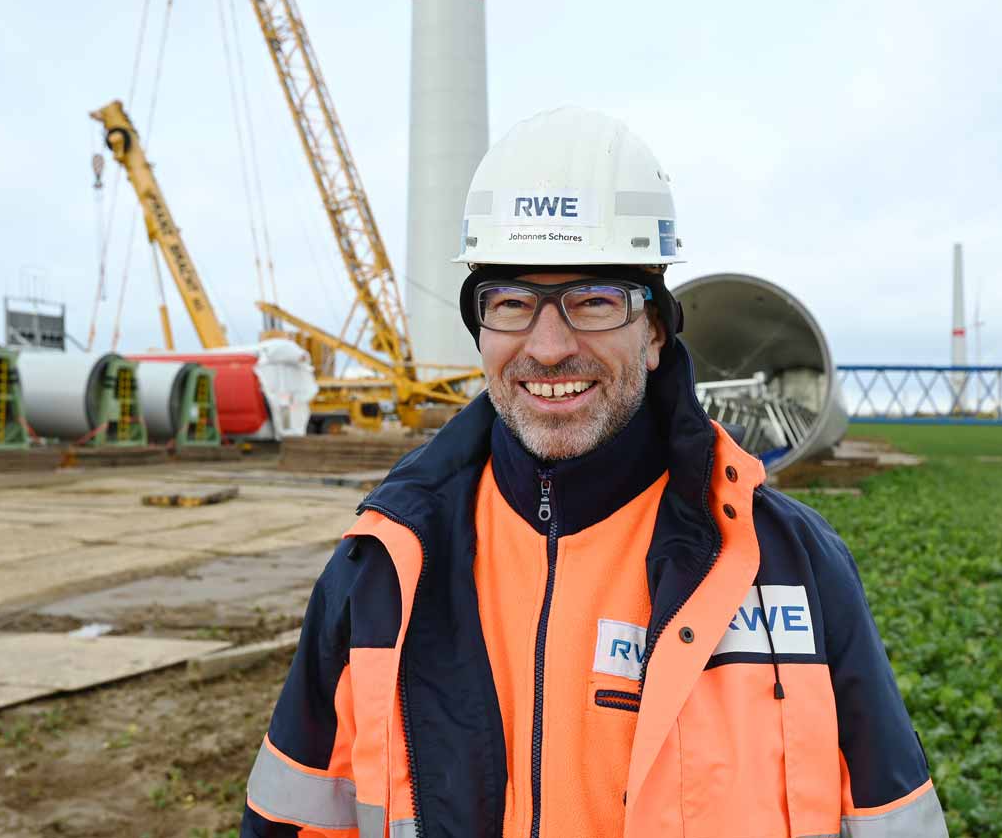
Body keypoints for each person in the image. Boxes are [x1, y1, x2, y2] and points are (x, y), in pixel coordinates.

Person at [241, 108, 946, 837]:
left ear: (654, 333)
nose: (547, 347)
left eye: (593, 302)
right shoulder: (385, 570)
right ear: (479, 330)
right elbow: (292, 815)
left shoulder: (792, 569)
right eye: (511, 302)